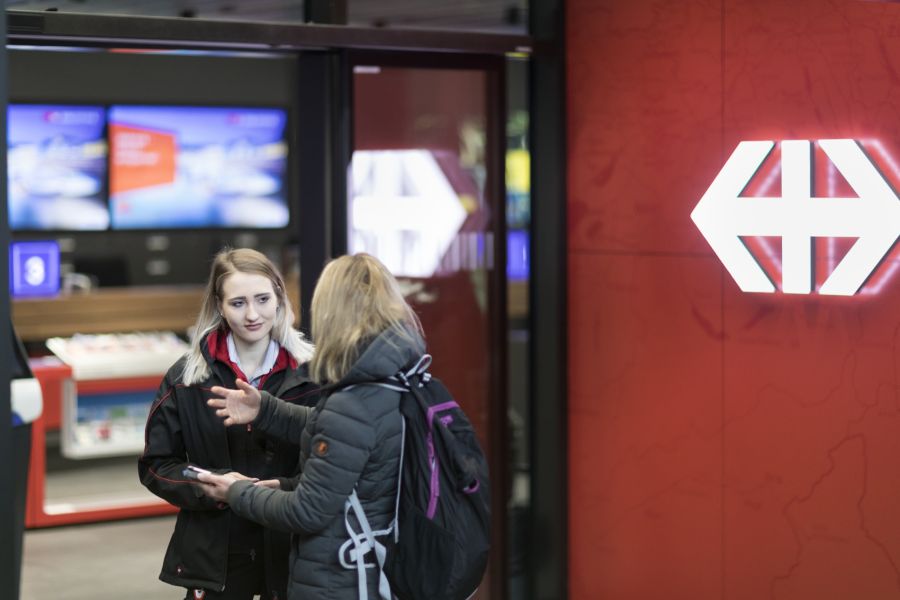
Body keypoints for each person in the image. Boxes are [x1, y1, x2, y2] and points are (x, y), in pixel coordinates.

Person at [196, 253, 426, 599]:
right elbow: (344, 432)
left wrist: (236, 492)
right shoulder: (398, 375)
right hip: (375, 564)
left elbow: (307, 511)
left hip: (340, 578)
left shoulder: (354, 399)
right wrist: (268, 411)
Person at [138, 247, 318, 600]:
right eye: (238, 303)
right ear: (218, 306)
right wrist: (211, 487)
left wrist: (279, 487)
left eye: (263, 299)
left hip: (293, 554)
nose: (253, 314)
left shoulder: (314, 374)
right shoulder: (186, 378)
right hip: (214, 559)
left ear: (280, 298)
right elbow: (157, 465)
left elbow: (332, 463)